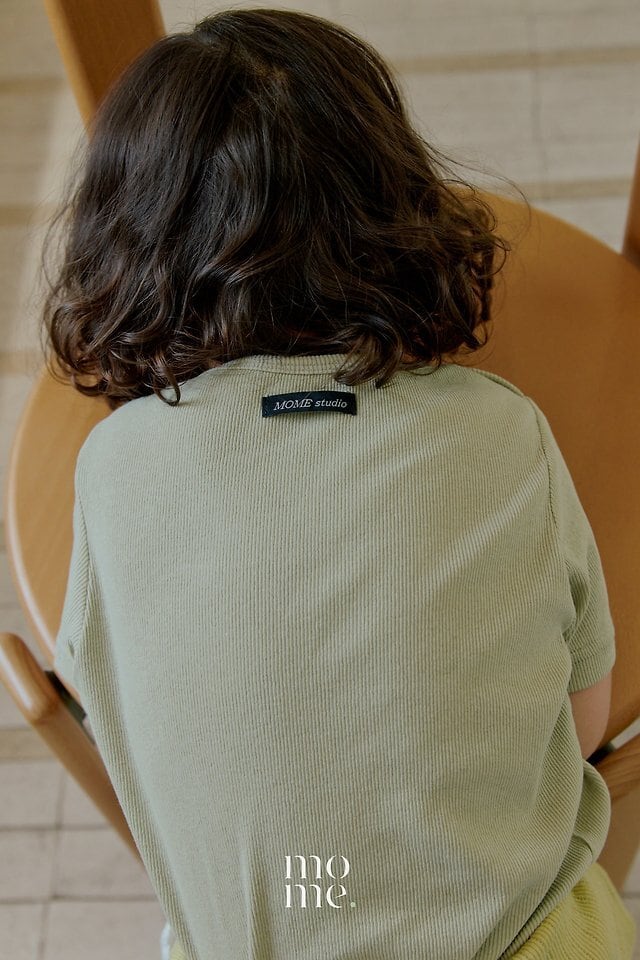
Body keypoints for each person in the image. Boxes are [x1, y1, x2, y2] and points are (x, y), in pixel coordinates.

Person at [43, 8, 636, 959]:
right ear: (397, 203)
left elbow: (115, 696)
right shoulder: (500, 432)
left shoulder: (114, 469)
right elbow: (584, 714)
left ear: (127, 237)